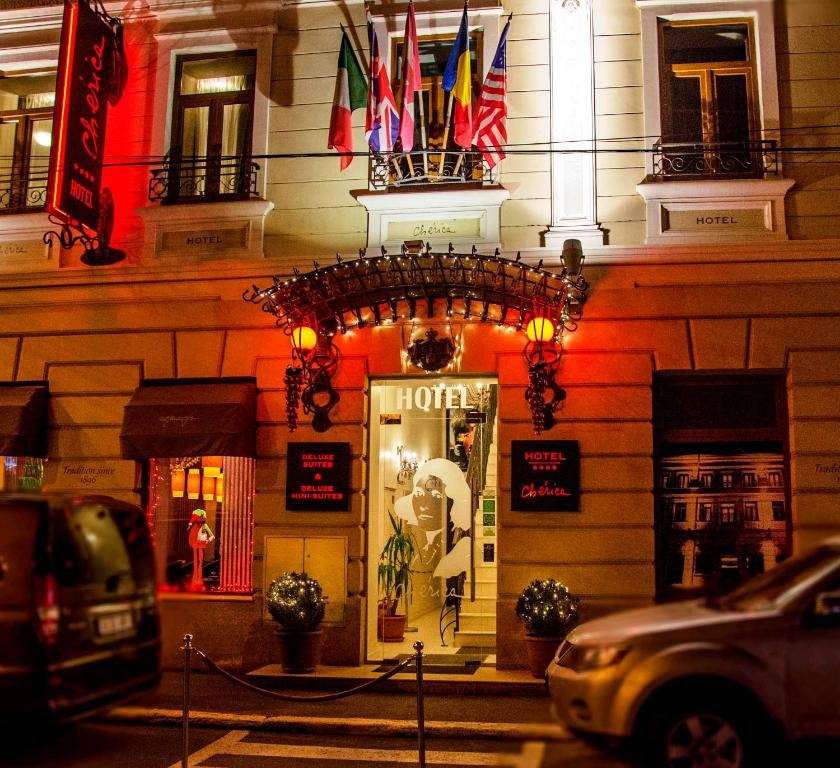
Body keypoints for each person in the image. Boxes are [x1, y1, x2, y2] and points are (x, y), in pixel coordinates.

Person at [394, 457, 471, 581]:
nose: (424, 505)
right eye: (418, 493)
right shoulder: (416, 546)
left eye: (436, 495)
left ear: (453, 502)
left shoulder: (461, 548)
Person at [187, 508, 214, 588]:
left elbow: (212, 536)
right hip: (195, 544)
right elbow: (191, 536)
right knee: (196, 560)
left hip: (200, 544)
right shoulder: (194, 527)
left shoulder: (204, 526)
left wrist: (207, 541)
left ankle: (199, 577)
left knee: (200, 560)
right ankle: (195, 577)